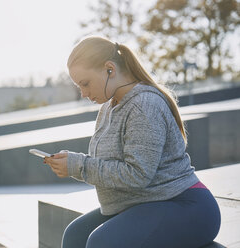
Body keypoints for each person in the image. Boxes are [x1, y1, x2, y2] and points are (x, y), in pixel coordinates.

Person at [44, 36, 221, 248]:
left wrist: (79, 166)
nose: (83, 93)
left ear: (109, 69)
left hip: (185, 206)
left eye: (85, 83)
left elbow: (138, 175)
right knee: (75, 235)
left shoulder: (144, 105)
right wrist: (73, 163)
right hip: (143, 204)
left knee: (102, 242)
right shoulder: (108, 108)